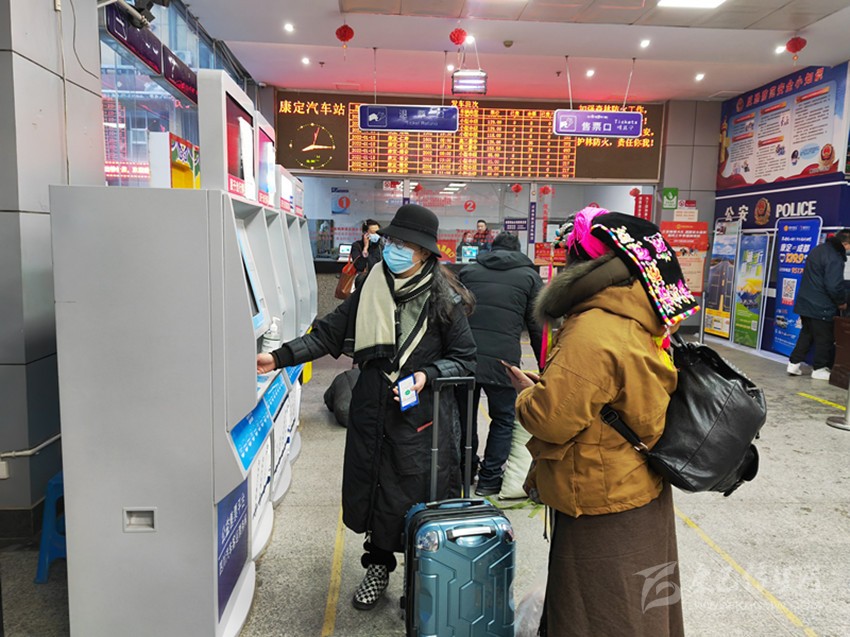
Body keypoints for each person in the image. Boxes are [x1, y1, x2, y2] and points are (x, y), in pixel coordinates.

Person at [257, 204, 476, 611]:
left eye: (404, 244)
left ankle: (420, 572)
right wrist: (279, 357)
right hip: (372, 408)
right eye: (392, 240)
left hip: (420, 418)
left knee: (414, 493)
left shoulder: (444, 299)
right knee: (375, 488)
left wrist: (427, 374)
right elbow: (328, 334)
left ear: (424, 253)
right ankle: (377, 567)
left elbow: (465, 359)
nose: (393, 249)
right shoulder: (371, 286)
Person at [506, 207, 697, 637]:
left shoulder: (593, 327)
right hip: (638, 482)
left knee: (599, 611)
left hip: (600, 498)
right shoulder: (640, 314)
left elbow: (550, 421)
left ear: (586, 264)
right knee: (644, 604)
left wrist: (526, 396)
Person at [458, 231, 543, 496]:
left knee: (464, 416)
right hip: (503, 362)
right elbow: (537, 327)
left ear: (491, 248)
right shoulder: (529, 277)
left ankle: (464, 472)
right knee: (504, 418)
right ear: (518, 250)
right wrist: (545, 366)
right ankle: (490, 478)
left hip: (465, 357)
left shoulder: (468, 272)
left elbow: (452, 315)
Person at [787, 228, 850, 379]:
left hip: (806, 303)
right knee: (825, 338)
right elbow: (834, 285)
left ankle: (793, 364)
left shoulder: (819, 249)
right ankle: (819, 369)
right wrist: (841, 302)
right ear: (846, 244)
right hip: (822, 306)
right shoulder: (835, 257)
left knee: (806, 334)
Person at [349, 219, 382, 290]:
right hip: (363, 282)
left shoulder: (380, 246)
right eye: (373, 233)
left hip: (379, 281)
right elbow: (359, 266)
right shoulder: (357, 246)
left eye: (378, 232)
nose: (376, 235)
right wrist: (365, 248)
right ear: (365, 233)